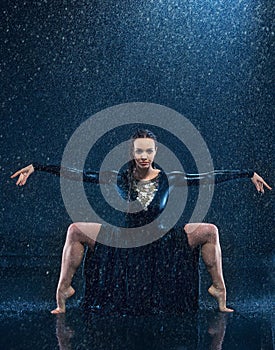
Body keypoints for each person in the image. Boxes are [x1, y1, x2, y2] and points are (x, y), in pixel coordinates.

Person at [11, 129, 272, 314]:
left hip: (162, 238)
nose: (144, 156)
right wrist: (37, 167)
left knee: (209, 231)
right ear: (132, 152)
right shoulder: (118, 175)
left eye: (148, 151)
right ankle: (64, 291)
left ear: (155, 151)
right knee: (75, 229)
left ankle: (218, 290)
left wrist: (247, 174)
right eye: (139, 151)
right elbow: (79, 174)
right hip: (128, 238)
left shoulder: (171, 176)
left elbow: (207, 176)